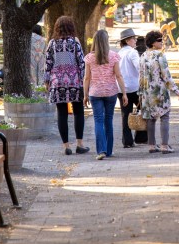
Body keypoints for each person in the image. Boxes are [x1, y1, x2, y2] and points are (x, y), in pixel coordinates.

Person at [43, 16, 90, 156]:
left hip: (57, 82)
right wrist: (85, 81)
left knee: (62, 113)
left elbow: (47, 64)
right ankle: (80, 144)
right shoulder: (75, 42)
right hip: (74, 81)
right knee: (78, 111)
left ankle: (66, 146)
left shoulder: (52, 43)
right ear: (71, 27)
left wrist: (47, 81)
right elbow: (82, 63)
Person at [83, 29, 128, 160]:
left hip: (95, 93)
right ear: (106, 41)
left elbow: (86, 78)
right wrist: (124, 93)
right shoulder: (113, 56)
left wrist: (85, 95)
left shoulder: (89, 58)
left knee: (98, 120)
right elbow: (118, 75)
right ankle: (109, 150)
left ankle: (100, 151)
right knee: (109, 120)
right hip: (111, 92)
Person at [139, 30, 179, 154]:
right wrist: (176, 90)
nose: (162, 42)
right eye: (160, 40)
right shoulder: (160, 56)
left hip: (147, 92)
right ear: (153, 43)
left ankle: (152, 145)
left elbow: (141, 76)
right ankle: (164, 145)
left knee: (151, 119)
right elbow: (166, 75)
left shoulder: (143, 56)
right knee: (164, 116)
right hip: (160, 92)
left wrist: (141, 93)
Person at [117, 28, 147, 147]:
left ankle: (127, 141)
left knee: (126, 114)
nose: (135, 41)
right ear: (128, 40)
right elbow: (140, 68)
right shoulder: (132, 52)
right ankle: (141, 137)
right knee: (143, 110)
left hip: (121, 88)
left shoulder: (119, 53)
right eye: (134, 39)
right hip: (134, 88)